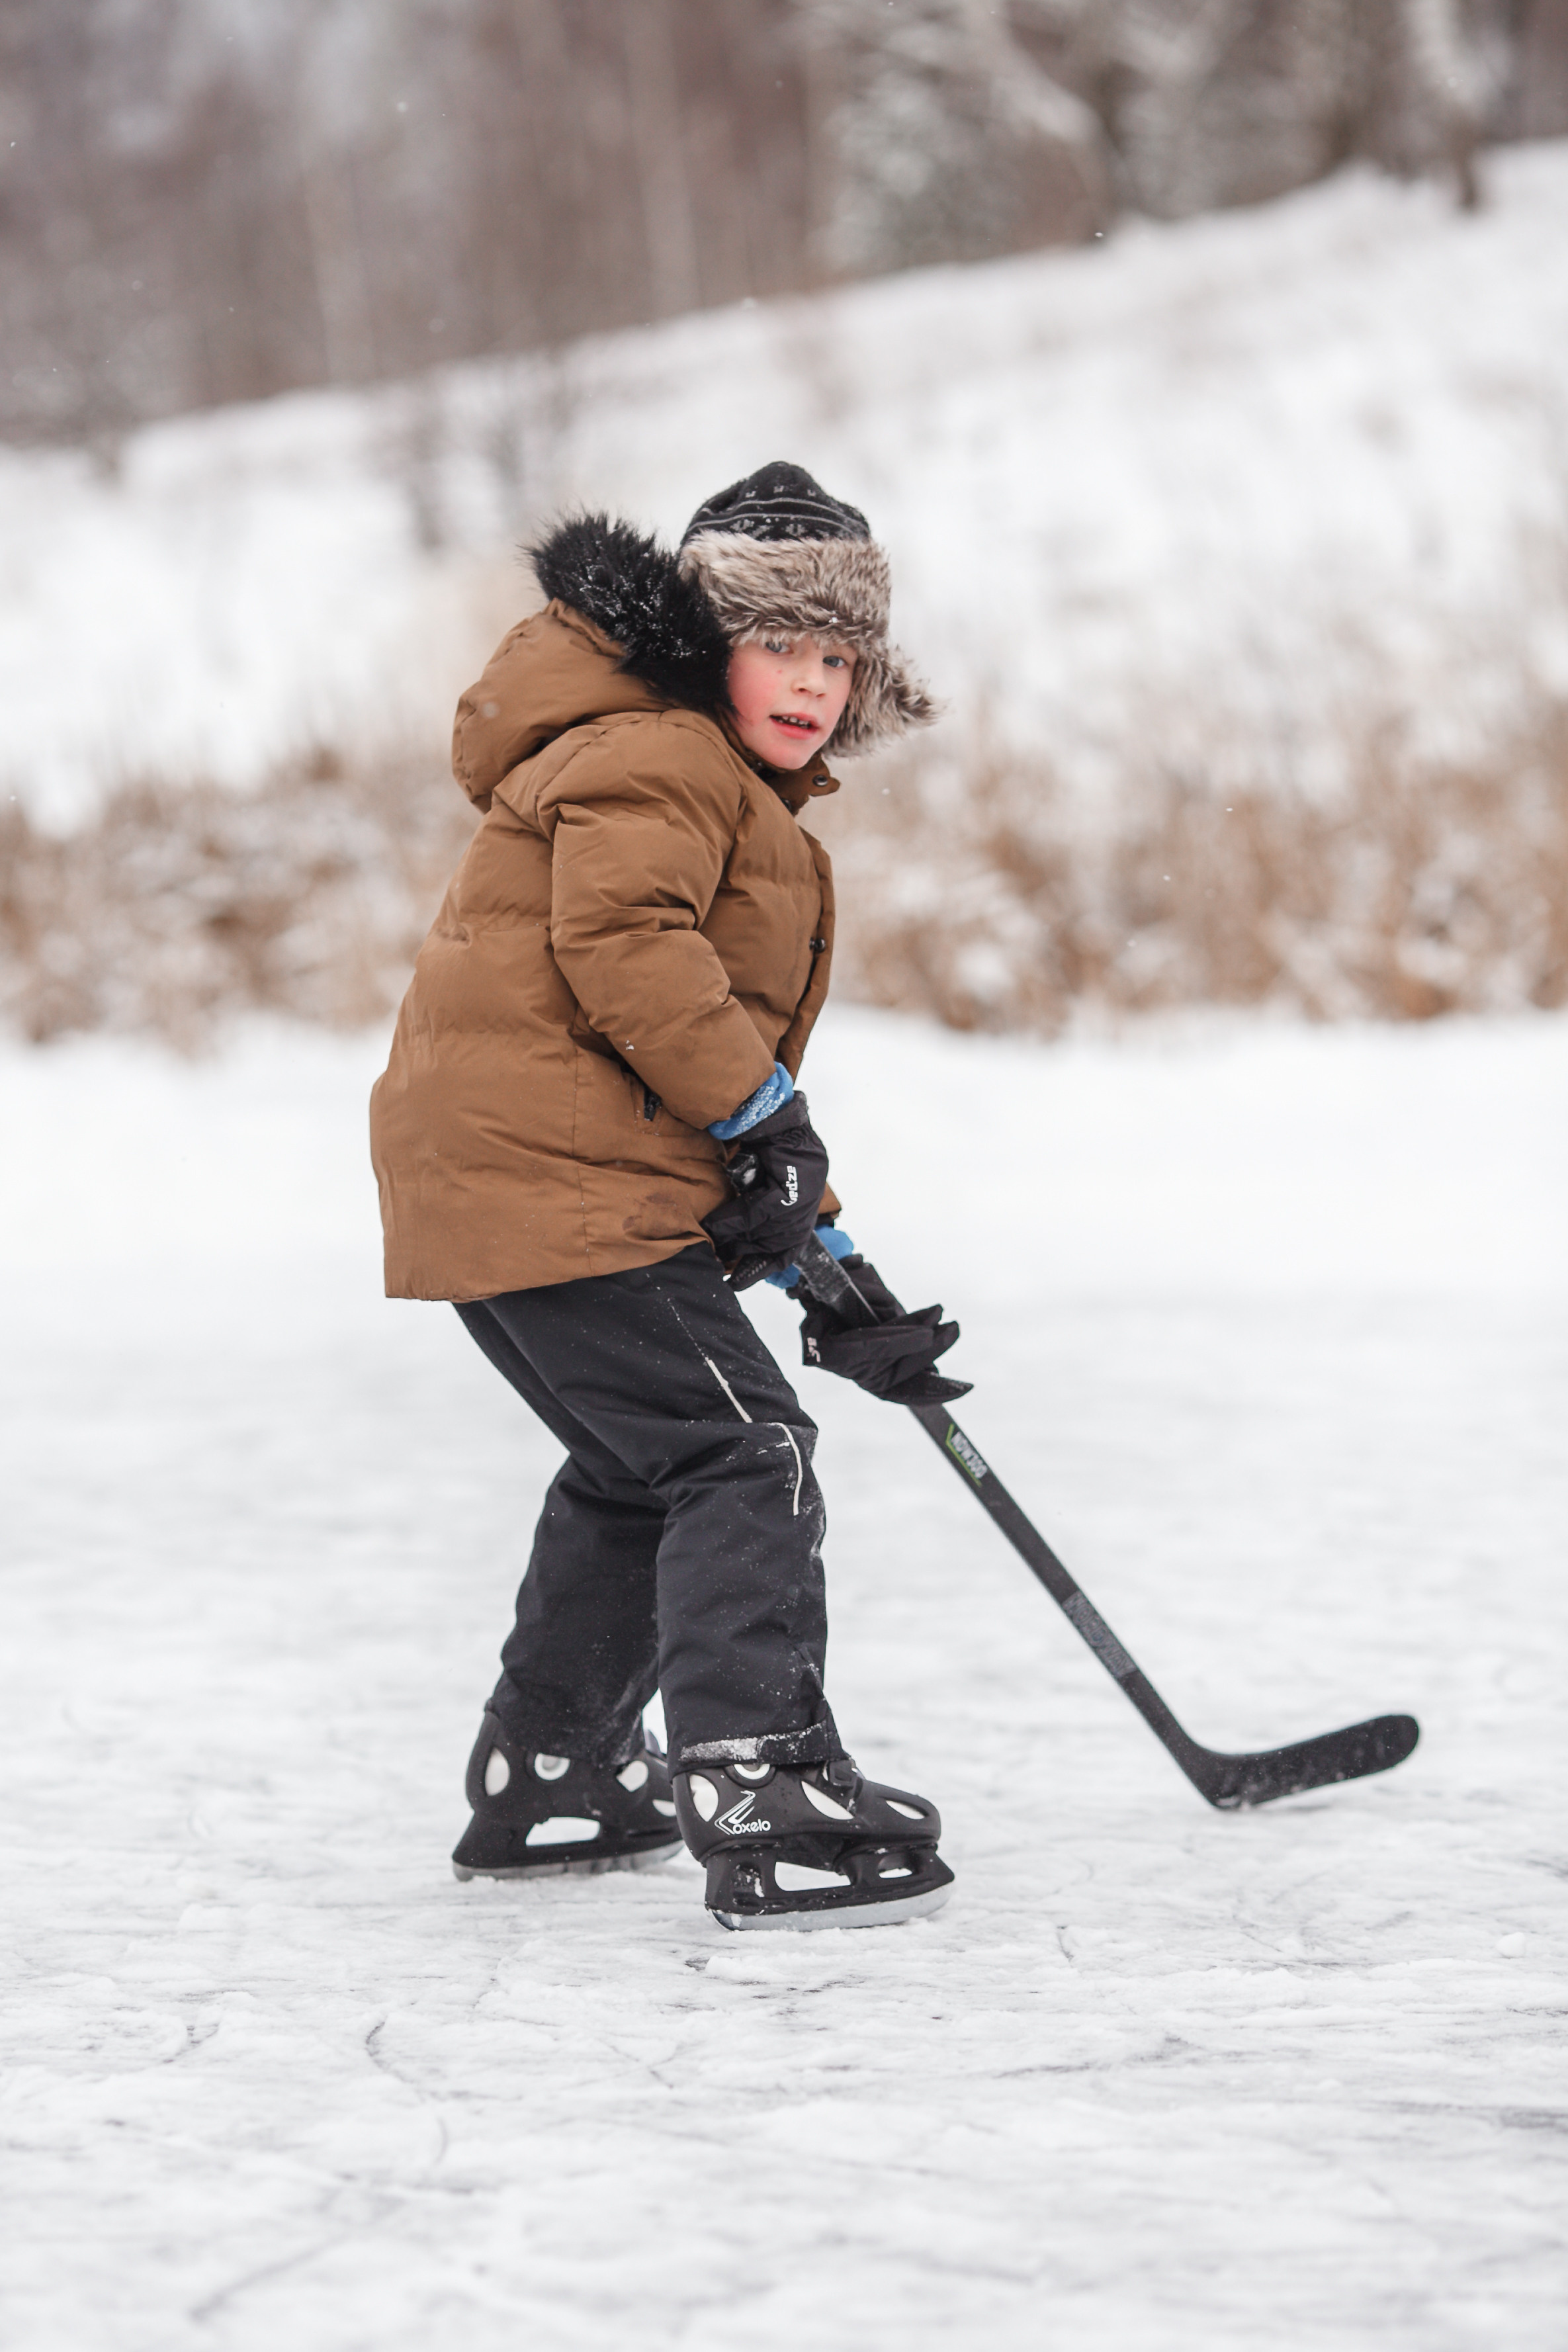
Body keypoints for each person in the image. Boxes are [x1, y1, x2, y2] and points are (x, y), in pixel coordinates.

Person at [369, 461, 968, 1930]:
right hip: (541, 1173)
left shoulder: (691, 774)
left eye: (842, 654)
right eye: (783, 643)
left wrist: (826, 1262)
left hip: (516, 1169)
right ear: (710, 645)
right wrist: (768, 1122)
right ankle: (760, 1770)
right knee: (740, 1447)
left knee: (647, 1462)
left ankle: (555, 1766)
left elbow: (667, 1068)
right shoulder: (662, 757)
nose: (816, 683)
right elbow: (628, 951)